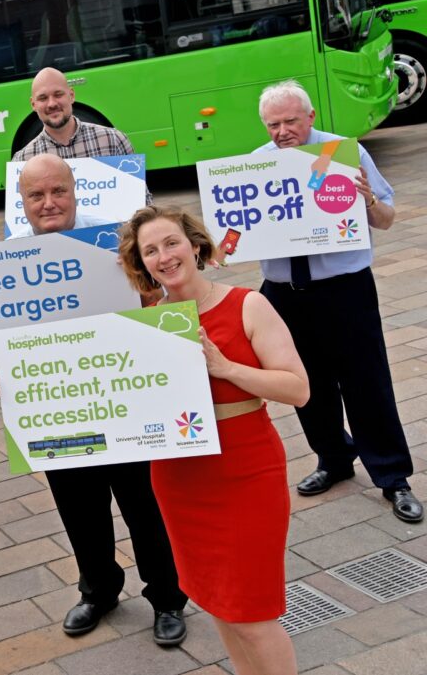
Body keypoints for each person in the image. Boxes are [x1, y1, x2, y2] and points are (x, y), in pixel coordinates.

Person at [0, 154, 188, 646]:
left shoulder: (116, 245)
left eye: (58, 191)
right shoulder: (3, 263)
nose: (48, 203)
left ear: (75, 192)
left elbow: (153, 305)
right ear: (23, 202)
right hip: (57, 408)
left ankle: (166, 597)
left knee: (145, 504)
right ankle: (99, 590)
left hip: (123, 401)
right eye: (36, 195)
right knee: (78, 508)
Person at [119, 205, 310, 675]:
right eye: (150, 251)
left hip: (246, 472)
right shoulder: (144, 323)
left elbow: (298, 389)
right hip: (181, 481)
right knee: (219, 604)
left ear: (196, 245)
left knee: (253, 614)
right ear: (141, 265)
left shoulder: (247, 304)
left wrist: (225, 368)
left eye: (170, 243)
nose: (163, 256)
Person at [253, 81, 421, 523]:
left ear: (310, 117)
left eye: (291, 121)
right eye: (273, 124)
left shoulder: (343, 154)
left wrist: (365, 200)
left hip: (344, 288)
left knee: (367, 382)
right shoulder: (255, 167)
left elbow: (386, 219)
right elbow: (235, 235)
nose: (283, 131)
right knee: (306, 386)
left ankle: (392, 476)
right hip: (284, 295)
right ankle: (334, 459)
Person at [12, 67, 140, 163]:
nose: (51, 104)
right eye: (43, 98)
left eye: (58, 94)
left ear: (71, 95)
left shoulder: (114, 140)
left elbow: (140, 197)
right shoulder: (23, 160)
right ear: (33, 104)